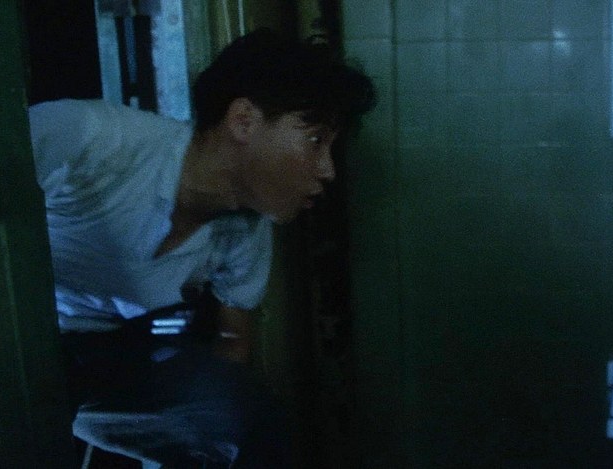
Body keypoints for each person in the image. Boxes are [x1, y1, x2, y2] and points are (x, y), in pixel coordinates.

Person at [27, 28, 375, 467]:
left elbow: (233, 343)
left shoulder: (246, 231)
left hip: (119, 362)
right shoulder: (91, 138)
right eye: (314, 139)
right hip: (29, 344)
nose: (327, 170)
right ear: (244, 120)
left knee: (252, 424)